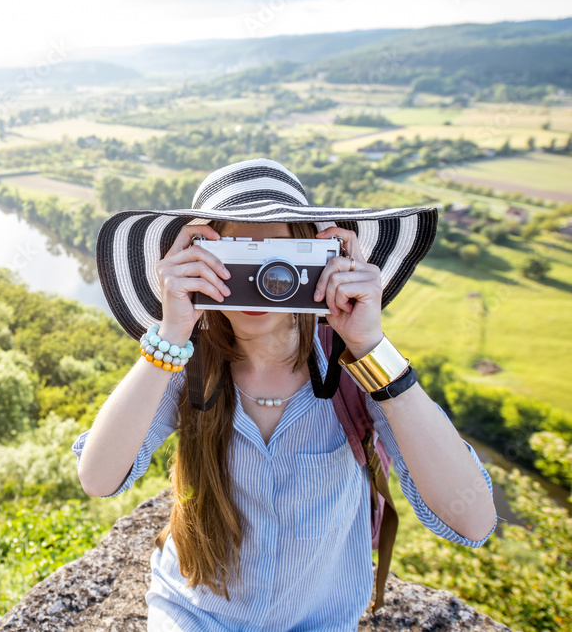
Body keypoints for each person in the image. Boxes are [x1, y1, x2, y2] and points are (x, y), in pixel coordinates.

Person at [73, 158, 499, 631]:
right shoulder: (186, 366)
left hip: (320, 620)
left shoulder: (354, 371)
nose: (261, 280)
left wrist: (370, 346)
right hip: (193, 610)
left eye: (279, 257)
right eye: (236, 256)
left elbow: (474, 521)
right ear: (197, 261)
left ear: (318, 259)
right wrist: (171, 331)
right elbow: (98, 477)